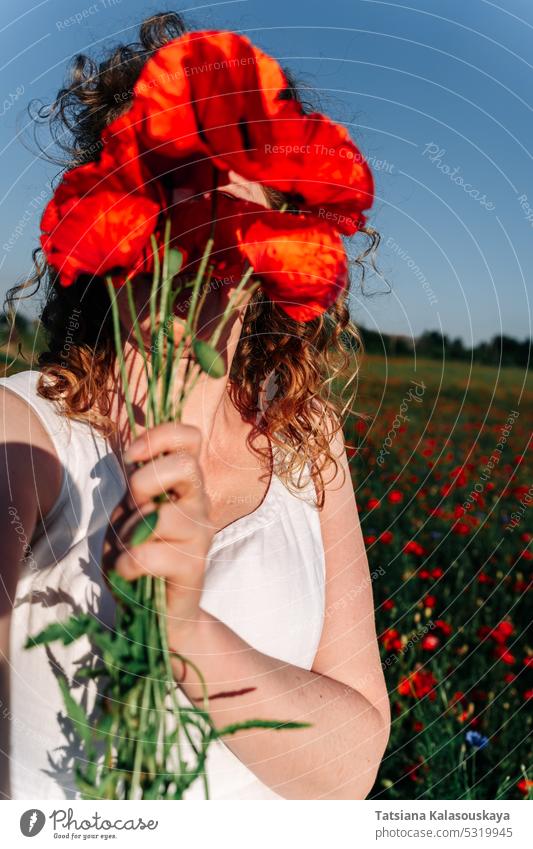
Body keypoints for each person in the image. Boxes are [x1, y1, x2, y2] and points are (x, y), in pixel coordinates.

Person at [0, 11, 389, 800]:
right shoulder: (25, 435)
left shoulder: (307, 443)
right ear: (125, 197)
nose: (214, 199)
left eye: (240, 169)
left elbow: (351, 764)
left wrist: (186, 636)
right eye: (180, 169)